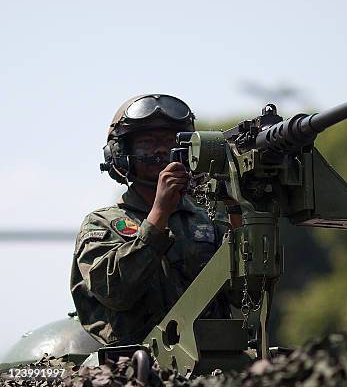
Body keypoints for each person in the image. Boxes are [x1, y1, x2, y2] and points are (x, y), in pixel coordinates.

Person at [70, 94, 232, 345]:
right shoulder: (101, 223)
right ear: (121, 153)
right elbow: (115, 292)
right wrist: (158, 214)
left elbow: (247, 292)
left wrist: (241, 207)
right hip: (133, 365)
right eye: (146, 143)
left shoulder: (208, 221)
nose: (160, 150)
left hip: (211, 361)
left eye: (170, 142)